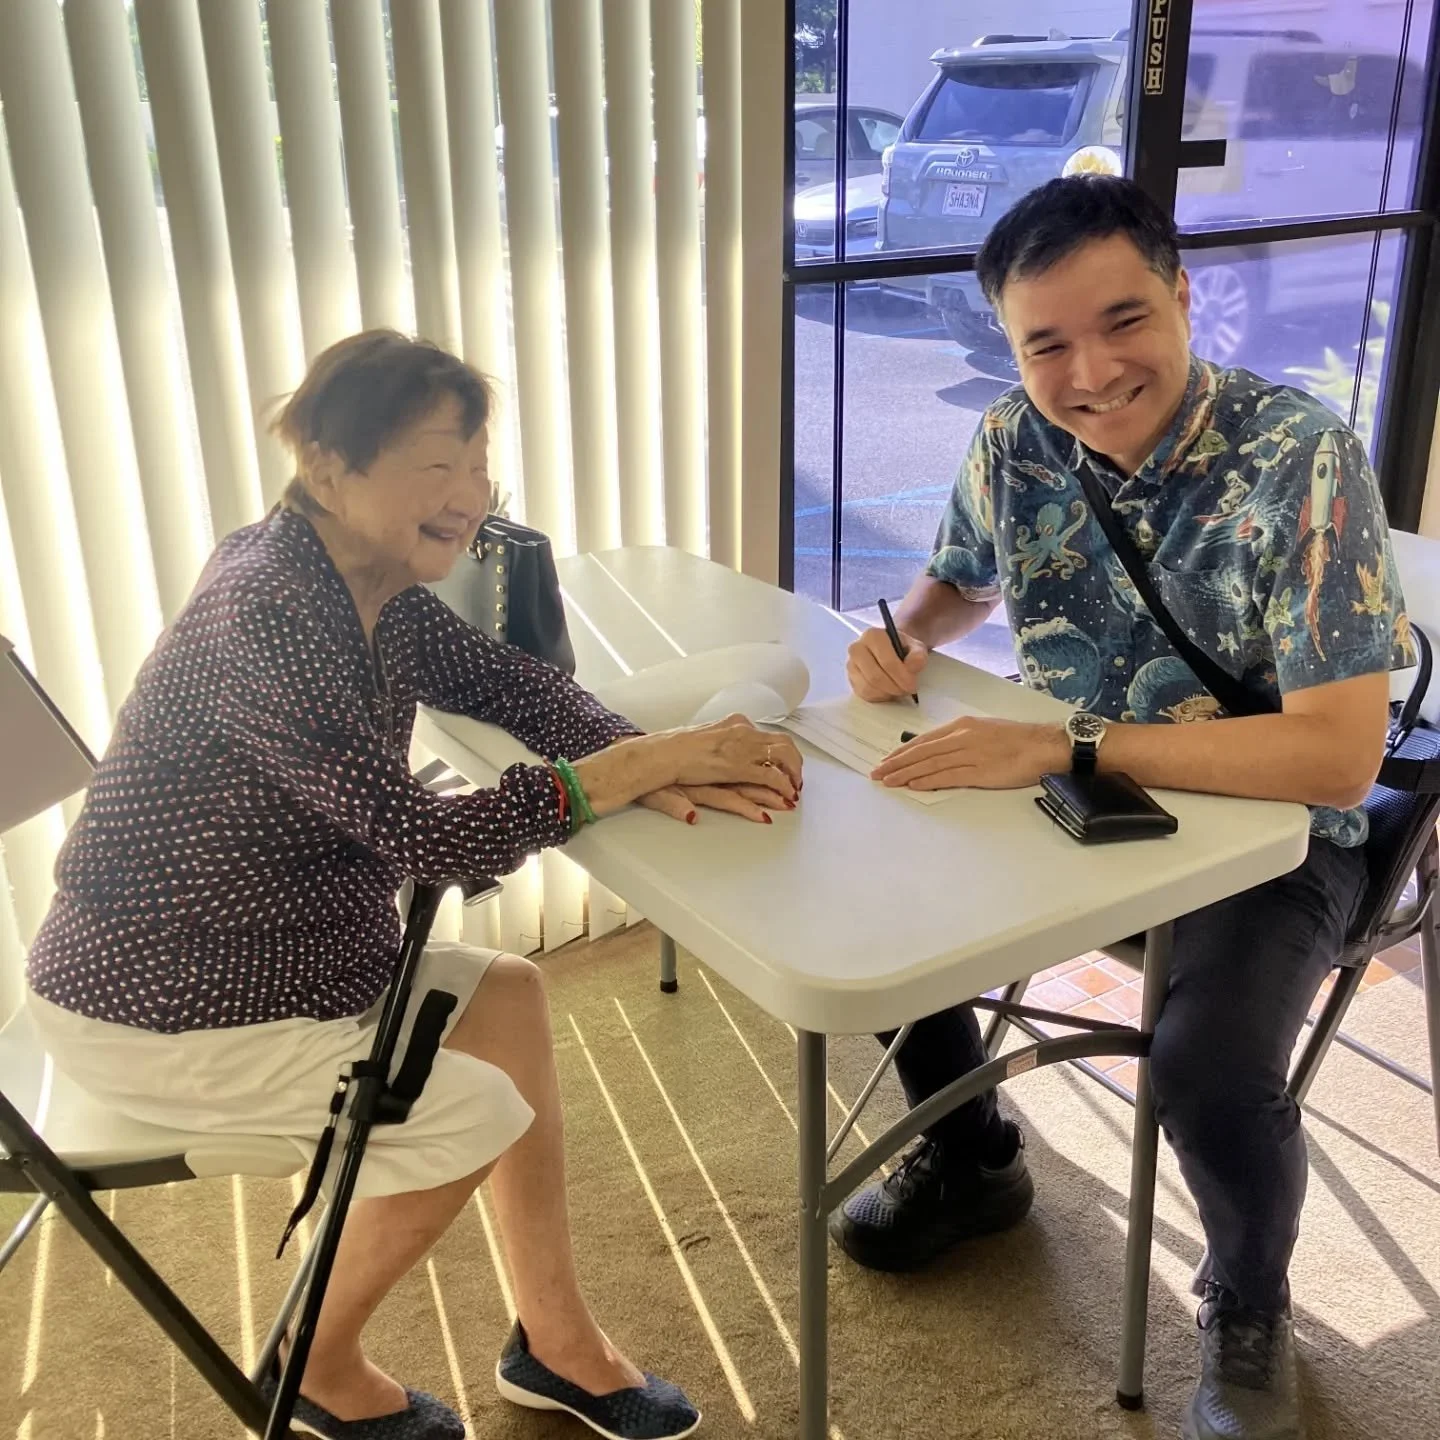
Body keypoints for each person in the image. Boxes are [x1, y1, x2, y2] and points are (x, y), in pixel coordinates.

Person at [25, 329, 803, 1440]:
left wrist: (659, 763)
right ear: (331, 467)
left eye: (481, 464)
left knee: (510, 1001)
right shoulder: (270, 609)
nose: (471, 495)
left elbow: (512, 685)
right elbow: (421, 839)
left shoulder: (365, 579)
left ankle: (554, 1342)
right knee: (471, 1111)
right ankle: (313, 1359)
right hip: (160, 999)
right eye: (438, 464)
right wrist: (624, 772)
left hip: (279, 958)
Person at [835, 177, 1411, 1440]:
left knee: (1203, 1074)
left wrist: (1066, 734)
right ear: (1010, 343)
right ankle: (978, 1159)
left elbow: (1332, 758)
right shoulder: (1011, 437)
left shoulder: (1300, 459)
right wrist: (903, 640)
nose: (1091, 371)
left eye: (1124, 320)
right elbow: (955, 583)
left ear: (1184, 297)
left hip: (1282, 835)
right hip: (1081, 791)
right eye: (1046, 342)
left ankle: (1247, 1300)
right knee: (882, 911)